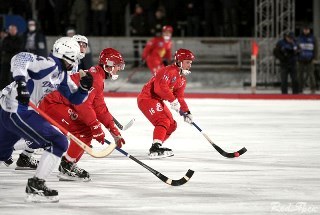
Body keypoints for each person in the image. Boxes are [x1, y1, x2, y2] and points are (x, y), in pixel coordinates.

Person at [0, 37, 93, 203]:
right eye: (75, 59)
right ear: (67, 56)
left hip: (12, 112)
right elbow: (19, 58)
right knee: (59, 142)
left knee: (2, 153)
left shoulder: (61, 75)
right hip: (18, 111)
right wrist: (21, 84)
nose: (76, 63)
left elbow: (74, 98)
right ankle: (36, 185)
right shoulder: (48, 64)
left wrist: (84, 88)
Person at [38, 48, 126, 181]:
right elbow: (82, 105)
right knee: (83, 131)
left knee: (86, 131)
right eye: (117, 66)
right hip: (51, 103)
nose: (118, 69)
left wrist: (113, 130)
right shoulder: (95, 78)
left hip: (58, 103)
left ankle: (69, 164)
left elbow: (99, 107)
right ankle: (67, 166)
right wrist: (95, 126)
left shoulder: (98, 77)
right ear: (108, 65)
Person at [137, 48, 195, 159]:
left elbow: (180, 97)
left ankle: (156, 146)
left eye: (190, 63)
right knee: (163, 120)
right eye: (187, 62)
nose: (189, 65)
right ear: (179, 61)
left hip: (157, 100)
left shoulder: (182, 80)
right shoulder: (167, 71)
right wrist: (173, 100)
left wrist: (187, 112)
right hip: (147, 98)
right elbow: (159, 88)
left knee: (172, 125)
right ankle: (156, 147)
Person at [0, 25, 23, 90]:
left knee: (13, 77)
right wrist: (12, 49)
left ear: (16, 30)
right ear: (9, 31)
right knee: (3, 76)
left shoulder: (20, 39)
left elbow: (19, 49)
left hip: (15, 61)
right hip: (5, 60)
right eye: (11, 30)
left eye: (14, 30)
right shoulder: (6, 39)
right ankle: (2, 91)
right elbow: (3, 48)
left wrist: (9, 49)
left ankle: (13, 91)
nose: (12, 31)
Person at [296, 25, 318, 94]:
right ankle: (300, 89)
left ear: (309, 30)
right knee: (300, 75)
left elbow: (316, 49)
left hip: (310, 59)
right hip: (300, 59)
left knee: (311, 74)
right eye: (305, 29)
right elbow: (296, 48)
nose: (306, 31)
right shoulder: (299, 38)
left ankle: (313, 89)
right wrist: (297, 57)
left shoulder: (313, 38)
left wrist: (315, 58)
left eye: (307, 29)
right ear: (303, 30)